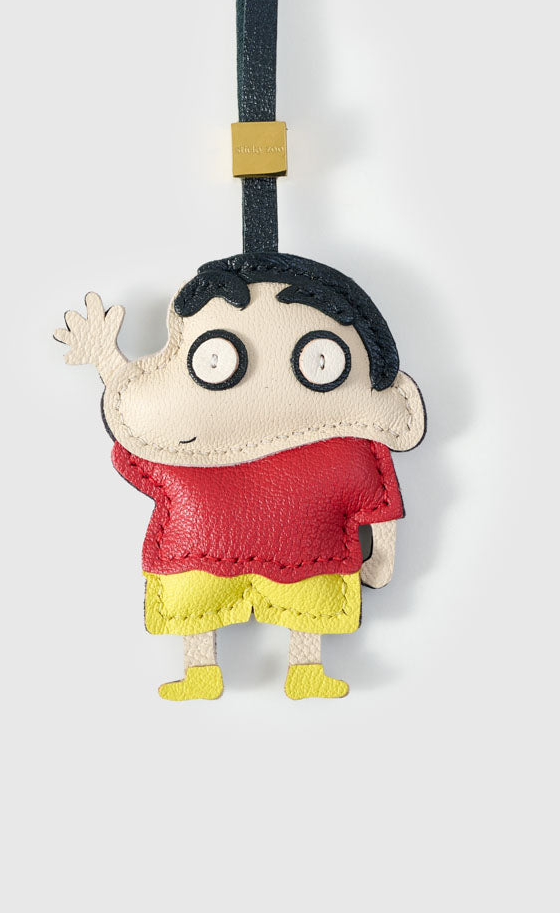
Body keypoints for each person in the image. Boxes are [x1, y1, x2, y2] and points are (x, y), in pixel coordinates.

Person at [55, 252, 425, 700]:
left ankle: (304, 669)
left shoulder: (344, 448)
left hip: (290, 553)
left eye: (321, 360)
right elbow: (379, 507)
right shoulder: (187, 441)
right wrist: (105, 359)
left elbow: (375, 506)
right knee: (206, 598)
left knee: (297, 603)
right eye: (215, 359)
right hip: (208, 551)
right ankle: (202, 671)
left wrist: (380, 558)